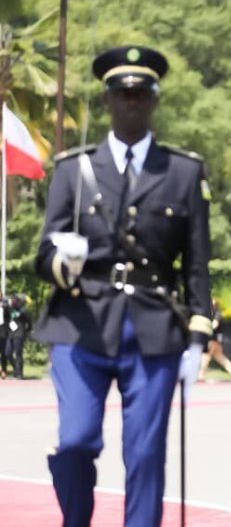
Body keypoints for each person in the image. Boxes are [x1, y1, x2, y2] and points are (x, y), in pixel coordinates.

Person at [33, 45, 212, 526]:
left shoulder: (183, 171)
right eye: (121, 93)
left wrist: (198, 338)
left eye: (140, 94)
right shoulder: (74, 169)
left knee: (146, 454)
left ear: (154, 100)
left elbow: (197, 262)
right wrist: (62, 261)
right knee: (74, 442)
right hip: (79, 323)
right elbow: (43, 255)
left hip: (153, 329)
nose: (131, 102)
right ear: (107, 100)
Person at [198, 300, 231, 381]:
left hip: (212, 340)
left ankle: (201, 376)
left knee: (205, 357)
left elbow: (215, 325)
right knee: (220, 357)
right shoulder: (211, 314)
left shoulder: (217, 314)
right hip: (215, 340)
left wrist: (206, 328)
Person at [6, 293, 33, 379]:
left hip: (19, 334)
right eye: (11, 300)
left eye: (14, 300)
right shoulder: (10, 309)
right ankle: (16, 370)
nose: (12, 302)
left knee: (18, 354)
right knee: (7, 353)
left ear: (18, 301)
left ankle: (20, 374)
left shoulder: (23, 310)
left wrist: (27, 332)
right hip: (10, 334)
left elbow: (29, 322)